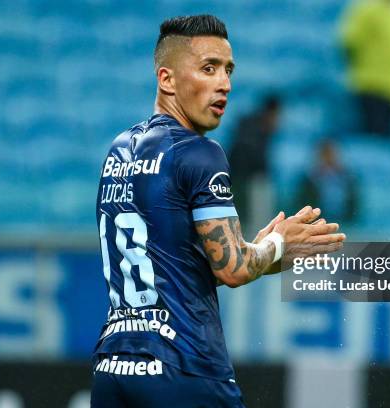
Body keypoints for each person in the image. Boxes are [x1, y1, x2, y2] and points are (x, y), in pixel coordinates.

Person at [90, 15, 346, 407]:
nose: (223, 83)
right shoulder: (200, 153)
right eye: (208, 68)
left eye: (228, 70)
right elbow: (232, 268)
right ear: (167, 79)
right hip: (184, 365)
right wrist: (276, 244)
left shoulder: (119, 149)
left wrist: (258, 254)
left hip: (114, 367)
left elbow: (178, 262)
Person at [339, 0, 390, 138]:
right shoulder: (367, 7)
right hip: (368, 86)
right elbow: (348, 43)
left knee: (387, 141)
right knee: (368, 139)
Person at [228, 95, 281, 232]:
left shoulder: (258, 127)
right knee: (251, 224)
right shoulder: (253, 128)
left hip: (244, 179)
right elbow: (246, 157)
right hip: (245, 181)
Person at [297, 141, 358, 224]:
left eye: (331, 154)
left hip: (346, 225)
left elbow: (355, 207)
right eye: (325, 154)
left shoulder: (349, 180)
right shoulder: (307, 181)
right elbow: (301, 206)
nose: (329, 158)